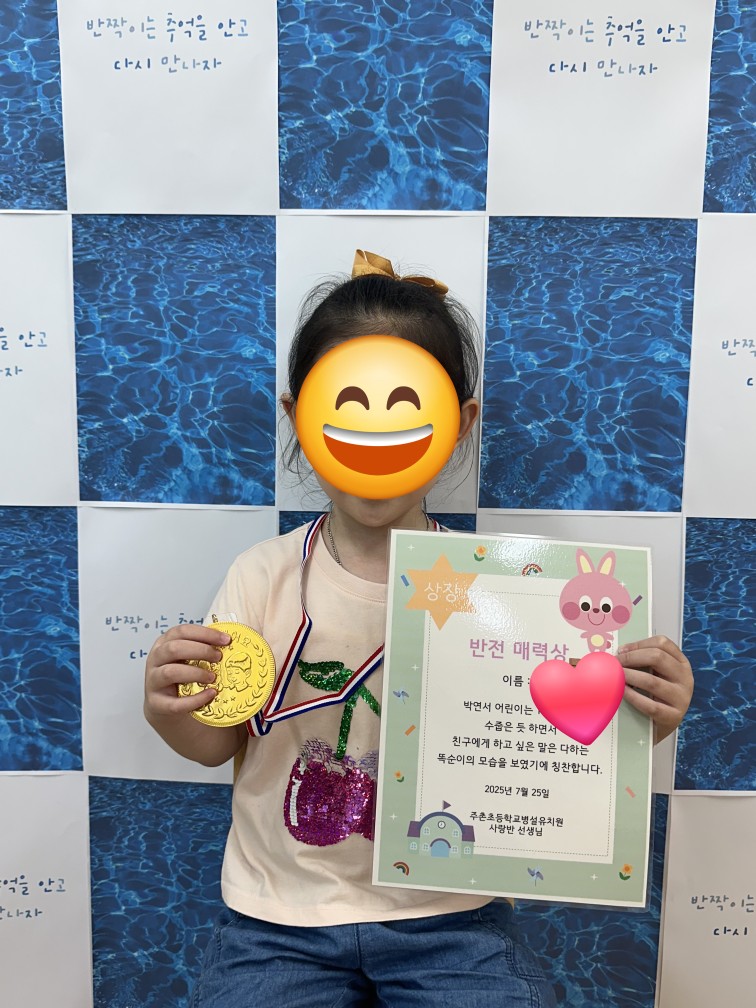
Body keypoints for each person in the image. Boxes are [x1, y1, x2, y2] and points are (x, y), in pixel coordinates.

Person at [144, 251, 694, 1007]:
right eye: (347, 403)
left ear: (459, 422)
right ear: (299, 417)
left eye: (406, 406)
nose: (376, 432)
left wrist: (643, 718)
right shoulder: (260, 575)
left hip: (450, 915)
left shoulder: (511, 593)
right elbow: (216, 744)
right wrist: (171, 711)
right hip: (278, 917)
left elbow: (555, 746)